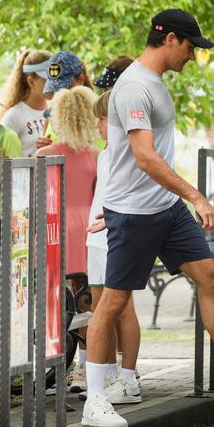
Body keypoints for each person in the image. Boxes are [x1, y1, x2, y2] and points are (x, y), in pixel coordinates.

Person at [81, 9, 214, 427]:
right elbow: (144, 158)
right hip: (136, 215)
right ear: (171, 39)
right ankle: (95, 401)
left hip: (164, 209)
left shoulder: (153, 84)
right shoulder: (134, 88)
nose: (192, 56)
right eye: (191, 47)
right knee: (113, 303)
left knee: (211, 275)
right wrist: (197, 197)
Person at [36, 85, 99, 392]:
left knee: (56, 297)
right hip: (89, 226)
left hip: (57, 228)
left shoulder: (47, 154)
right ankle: (87, 366)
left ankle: (55, 363)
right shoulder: (97, 156)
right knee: (88, 297)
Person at [83, 89, 141, 404]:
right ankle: (105, 375)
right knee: (99, 306)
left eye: (102, 119)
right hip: (96, 238)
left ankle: (129, 379)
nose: (98, 126)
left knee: (122, 307)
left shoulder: (130, 151)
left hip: (117, 236)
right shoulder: (105, 152)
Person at [36, 51, 95, 150]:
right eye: (55, 90)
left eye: (66, 87)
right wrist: (42, 147)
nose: (60, 95)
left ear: (81, 79)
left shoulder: (99, 114)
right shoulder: (51, 115)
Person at [0, 49, 53, 156]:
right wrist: (38, 152)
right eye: (48, 80)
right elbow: (1, 163)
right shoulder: (14, 116)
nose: (55, 84)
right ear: (31, 81)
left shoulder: (58, 112)